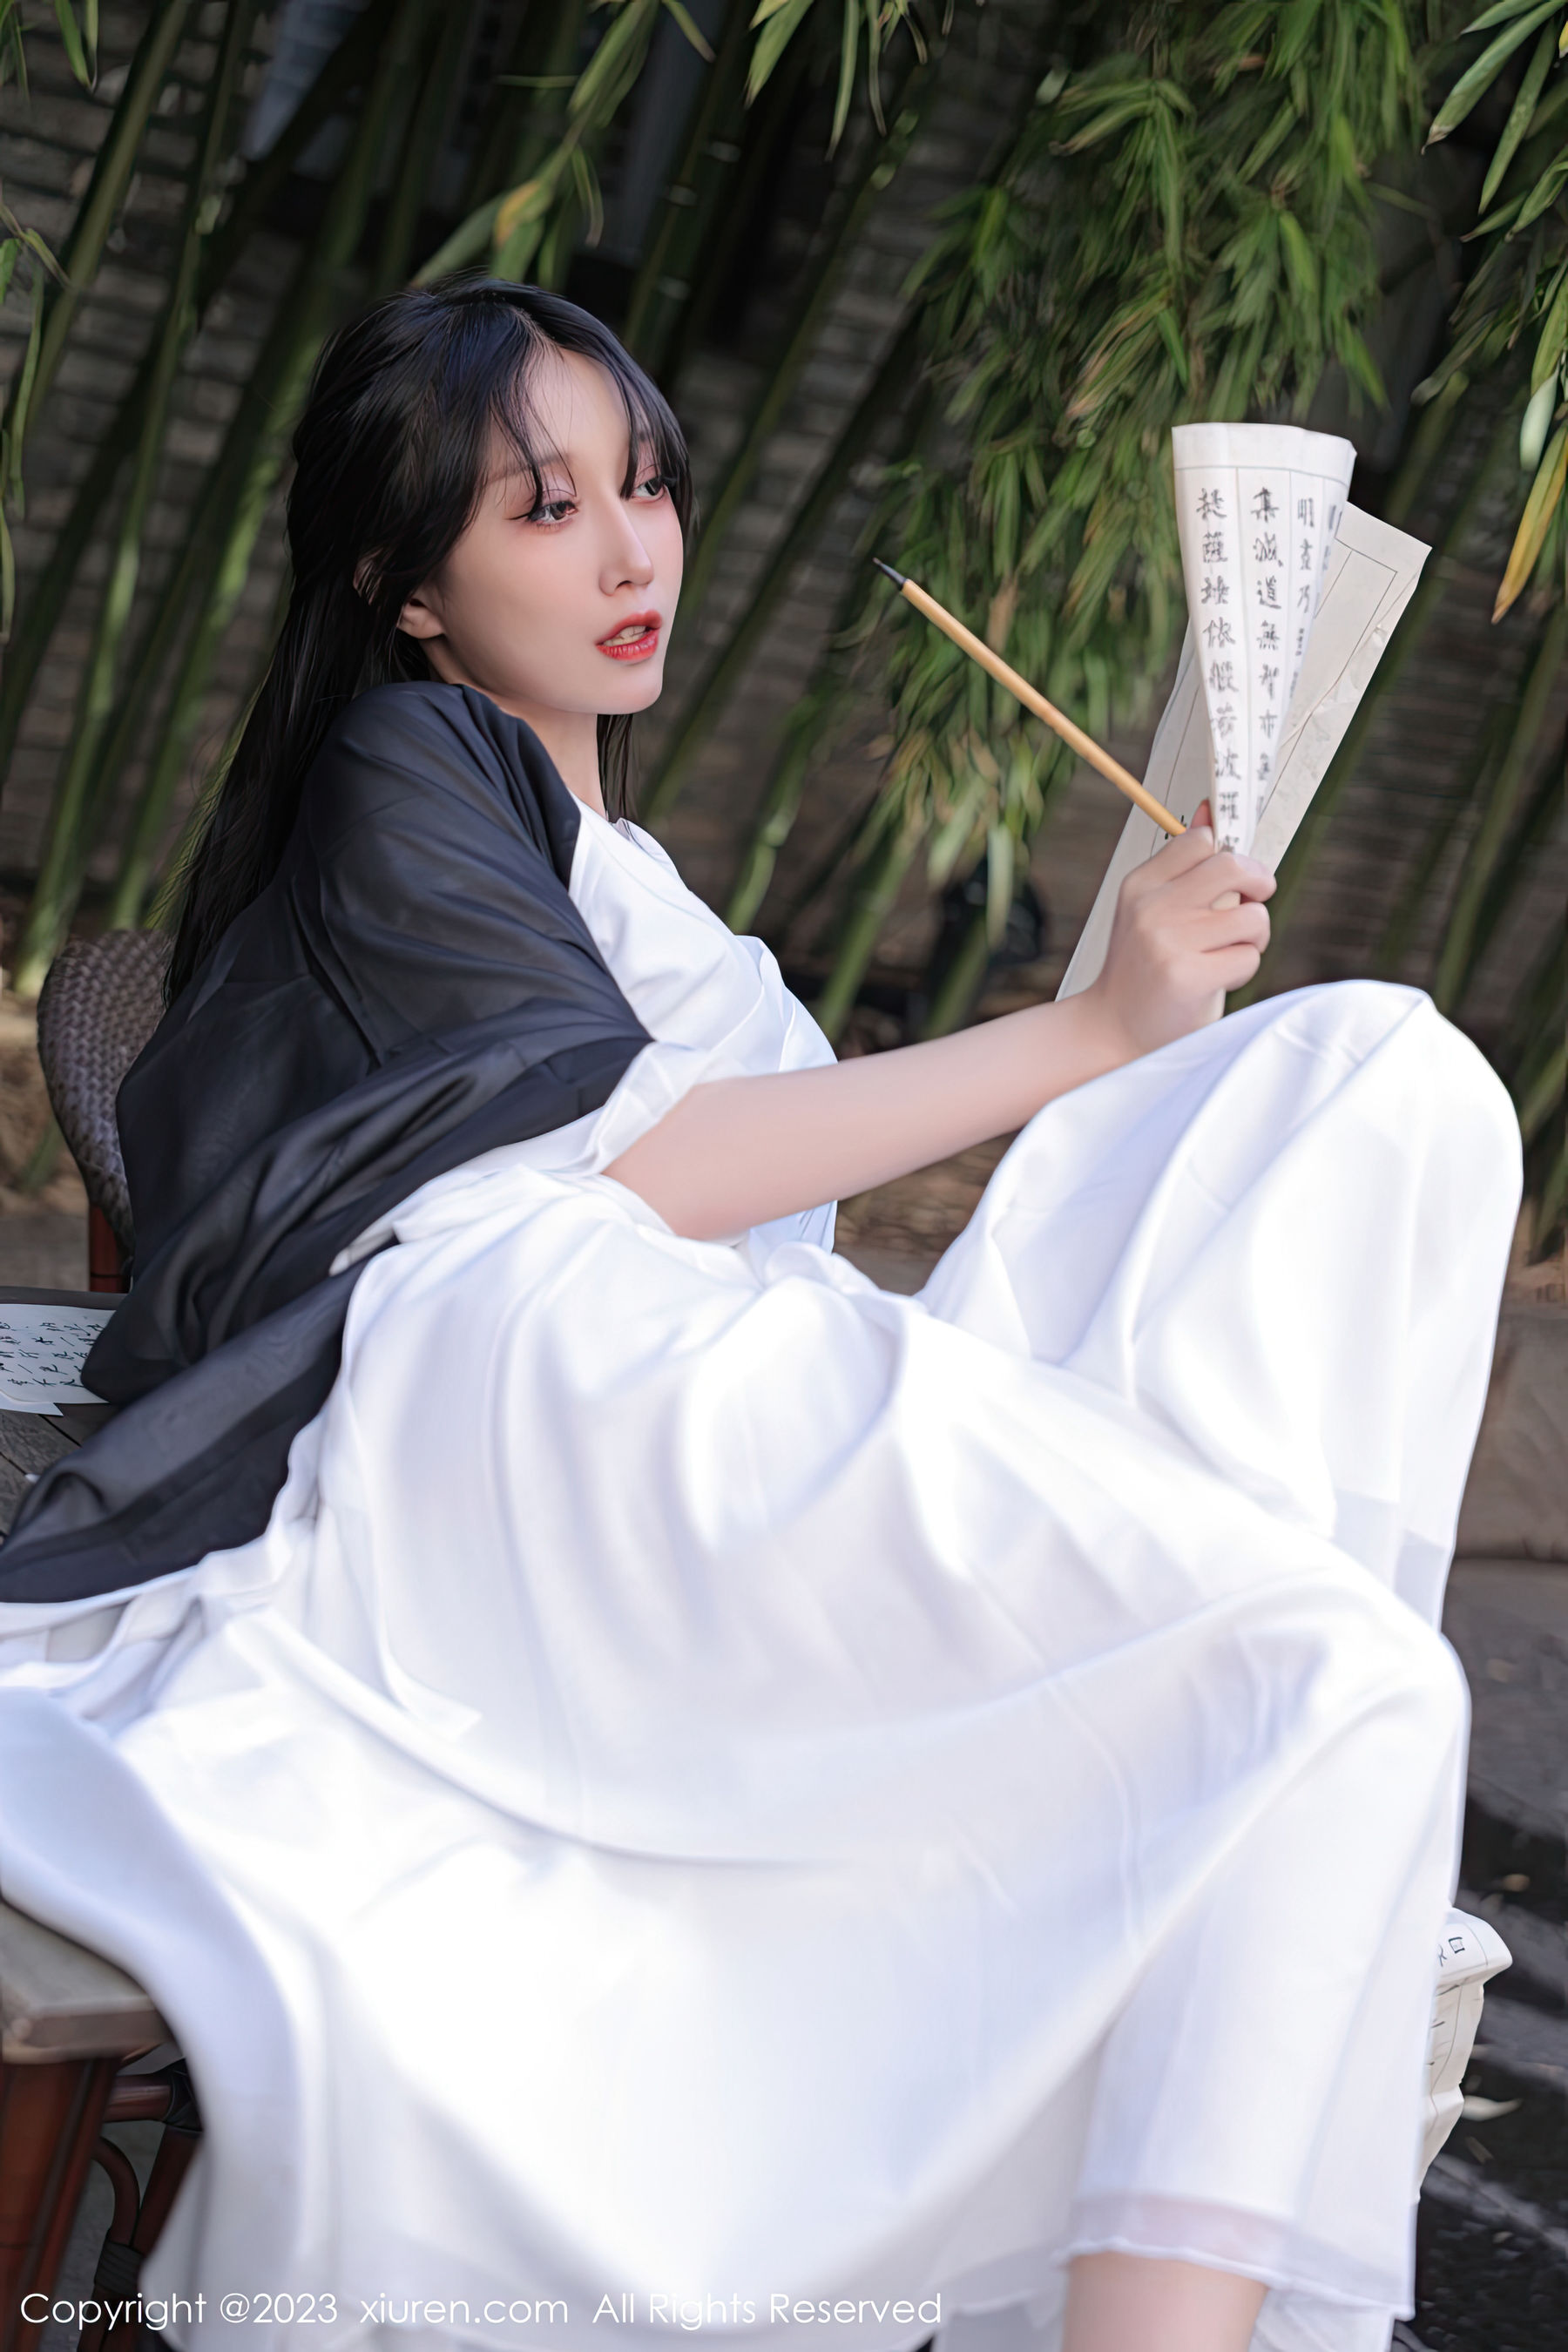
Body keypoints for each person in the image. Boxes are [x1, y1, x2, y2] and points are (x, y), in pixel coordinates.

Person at [0, 280, 1521, 2352]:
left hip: (706, 1386)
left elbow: (763, 1188)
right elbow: (641, 1169)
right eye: (546, 510)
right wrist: (1091, 1028)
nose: (633, 551)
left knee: (1383, 1072)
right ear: (407, 588)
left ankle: (1209, 1715)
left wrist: (1138, 1036)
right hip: (545, 1370)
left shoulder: (626, 873)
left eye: (649, 487)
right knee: (1339, 1689)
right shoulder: (412, 756)